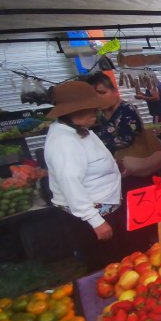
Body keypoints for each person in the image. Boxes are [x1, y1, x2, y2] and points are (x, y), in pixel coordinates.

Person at [44, 81, 123, 270]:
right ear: (74, 113)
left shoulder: (78, 130)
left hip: (105, 207)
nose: (96, 113)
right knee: (105, 266)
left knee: (118, 261)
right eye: (91, 109)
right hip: (92, 217)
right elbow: (70, 183)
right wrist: (96, 221)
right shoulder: (64, 142)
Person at [86, 71, 144, 155]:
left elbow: (127, 140)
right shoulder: (98, 114)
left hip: (132, 160)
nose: (98, 98)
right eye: (94, 96)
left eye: (102, 93)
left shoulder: (126, 109)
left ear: (114, 91)